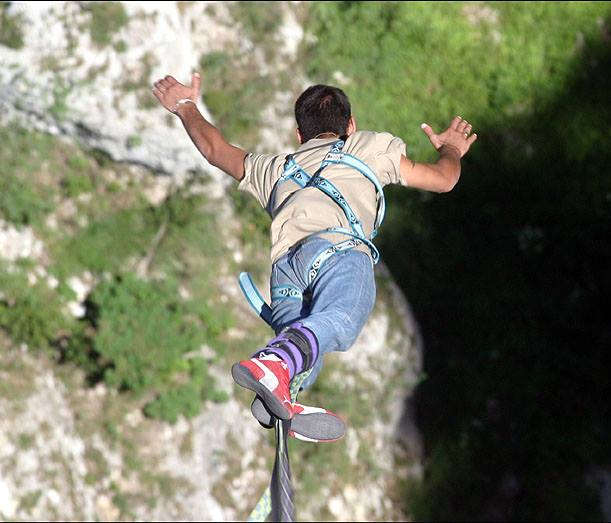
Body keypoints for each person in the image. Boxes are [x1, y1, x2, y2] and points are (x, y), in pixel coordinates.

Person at [152, 72, 477, 442]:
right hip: (336, 252)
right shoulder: (367, 148)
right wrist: (451, 148)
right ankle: (276, 368)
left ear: (299, 135)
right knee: (343, 317)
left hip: (286, 273)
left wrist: (185, 105)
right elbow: (444, 178)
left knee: (305, 343)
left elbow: (214, 150)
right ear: (350, 125)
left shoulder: (273, 168)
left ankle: (282, 391)